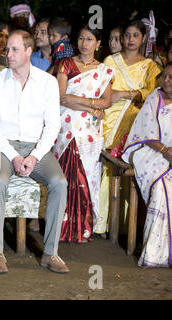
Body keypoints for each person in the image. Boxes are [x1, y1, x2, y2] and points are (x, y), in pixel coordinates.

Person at [0, 30, 69, 274]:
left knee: (59, 182)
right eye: (7, 49)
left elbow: (53, 126)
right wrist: (15, 157)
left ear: (29, 51)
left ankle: (51, 253)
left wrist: (33, 156)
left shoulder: (48, 82)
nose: (8, 54)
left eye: (14, 49)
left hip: (36, 147)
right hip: (3, 146)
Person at [96, 20, 162, 236]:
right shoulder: (109, 61)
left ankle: (125, 225)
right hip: (108, 121)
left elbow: (152, 95)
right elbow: (101, 90)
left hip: (135, 122)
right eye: (127, 35)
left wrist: (124, 94)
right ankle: (100, 223)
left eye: (135, 35)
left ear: (143, 38)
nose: (131, 39)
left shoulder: (151, 68)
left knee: (127, 166)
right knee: (105, 166)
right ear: (121, 38)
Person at [53, 25, 113, 243]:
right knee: (66, 176)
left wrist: (82, 103)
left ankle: (82, 228)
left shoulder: (104, 71)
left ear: (98, 44)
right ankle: (60, 226)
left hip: (89, 130)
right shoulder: (66, 64)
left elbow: (106, 101)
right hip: (67, 128)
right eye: (80, 38)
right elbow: (61, 97)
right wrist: (91, 107)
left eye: (89, 39)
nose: (84, 43)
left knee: (86, 176)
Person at [121, 62, 172, 268]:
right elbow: (145, 132)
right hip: (153, 153)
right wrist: (166, 151)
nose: (166, 81)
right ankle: (156, 253)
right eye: (165, 76)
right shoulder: (155, 98)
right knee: (162, 188)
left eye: (171, 77)